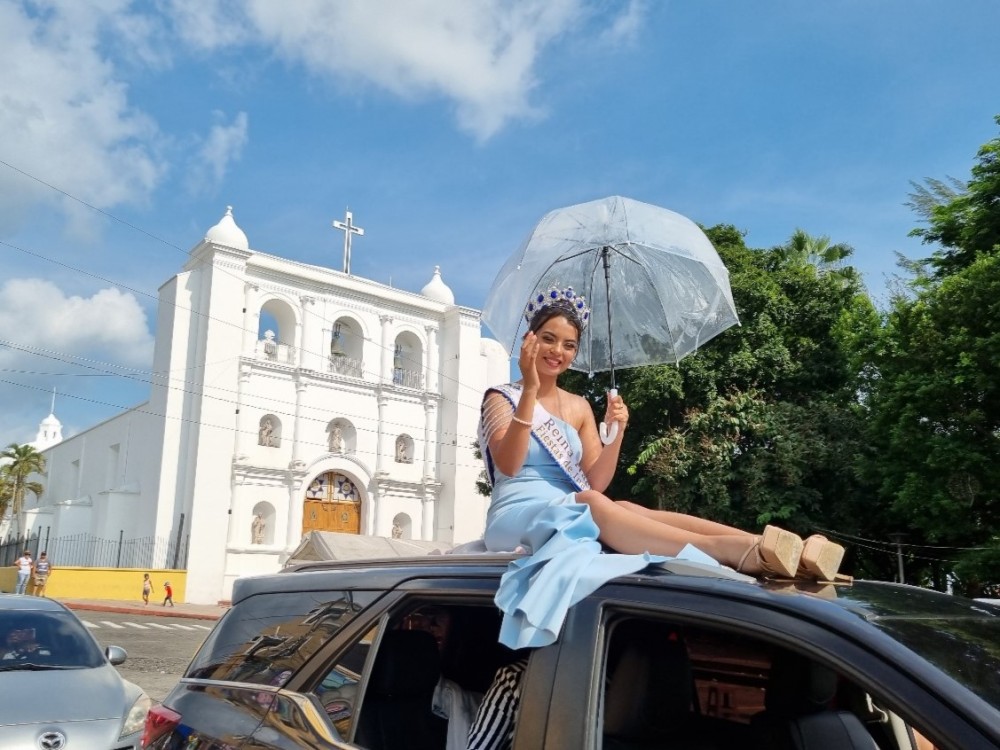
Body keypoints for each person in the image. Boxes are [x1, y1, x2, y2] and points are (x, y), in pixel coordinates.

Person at [478, 286, 845, 649]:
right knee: (591, 503)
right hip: (517, 516)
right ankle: (732, 550)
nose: (558, 351)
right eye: (549, 338)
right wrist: (529, 391)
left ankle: (764, 544)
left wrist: (617, 433)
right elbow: (509, 464)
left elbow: (597, 482)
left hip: (572, 507)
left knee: (625, 507)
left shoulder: (579, 406)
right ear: (529, 340)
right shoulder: (501, 397)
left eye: (569, 344)